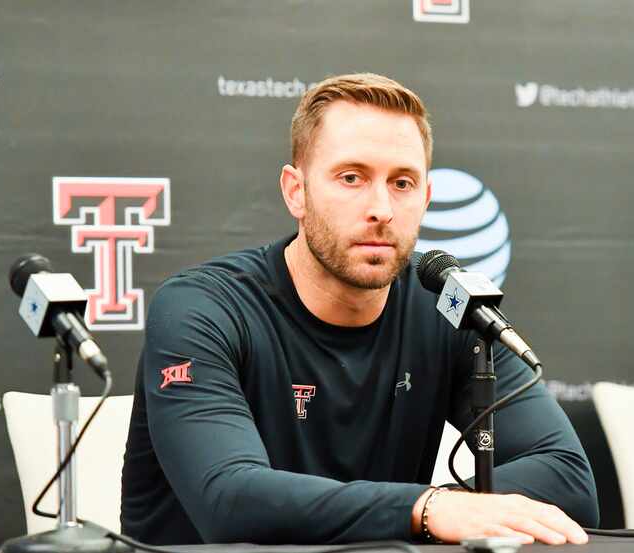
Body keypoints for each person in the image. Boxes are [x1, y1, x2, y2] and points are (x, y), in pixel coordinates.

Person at [121, 73, 599, 546]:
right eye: (351, 177)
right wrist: (429, 509)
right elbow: (230, 501)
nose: (381, 208)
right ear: (295, 191)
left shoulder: (449, 307)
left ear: (426, 199)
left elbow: (568, 479)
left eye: (403, 183)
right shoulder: (202, 308)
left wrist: (448, 508)